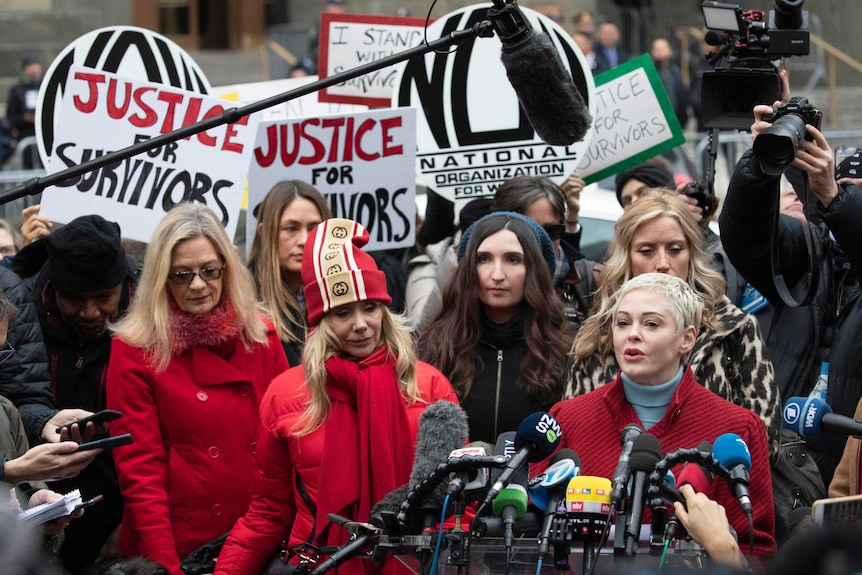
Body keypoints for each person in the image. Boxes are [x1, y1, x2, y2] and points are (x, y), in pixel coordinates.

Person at [214, 218, 457, 575]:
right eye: (343, 312)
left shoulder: (429, 385)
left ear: (385, 312)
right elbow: (269, 511)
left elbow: (455, 507)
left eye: (370, 307)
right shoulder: (285, 394)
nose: (360, 324)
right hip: (316, 563)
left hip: (411, 566)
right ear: (321, 322)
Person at [106, 203, 289, 575]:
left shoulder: (261, 334)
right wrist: (164, 567)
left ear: (226, 267)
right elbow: (141, 471)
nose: (198, 285)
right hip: (183, 541)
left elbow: (290, 443)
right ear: (161, 278)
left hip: (261, 534)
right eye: (182, 275)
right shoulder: (135, 349)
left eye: (209, 270)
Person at [548, 273, 776, 564]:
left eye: (651, 324)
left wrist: (721, 547)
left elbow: (758, 552)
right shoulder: (568, 418)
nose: (632, 333)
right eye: (623, 323)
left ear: (687, 339)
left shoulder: (738, 428)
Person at [568, 190, 780, 459]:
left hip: (708, 494)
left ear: (692, 253)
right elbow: (574, 444)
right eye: (647, 250)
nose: (663, 264)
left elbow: (764, 441)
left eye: (675, 249)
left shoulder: (734, 328)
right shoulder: (596, 336)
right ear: (627, 257)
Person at [720, 108, 862, 488]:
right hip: (778, 462)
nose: (851, 199)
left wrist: (836, 196)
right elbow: (746, 234)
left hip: (850, 469)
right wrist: (762, 159)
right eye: (850, 188)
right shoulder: (809, 250)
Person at [25, 214, 141, 574]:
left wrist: (134, 524)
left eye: (105, 297)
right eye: (74, 299)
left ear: (124, 284)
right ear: (54, 290)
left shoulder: (152, 318)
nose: (91, 312)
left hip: (123, 514)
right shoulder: (23, 316)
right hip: (38, 516)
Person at [417, 212, 569, 443]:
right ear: (467, 268)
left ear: (535, 270)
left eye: (513, 260)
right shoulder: (435, 349)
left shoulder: (567, 353)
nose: (497, 275)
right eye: (484, 259)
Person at [247, 180, 331, 366]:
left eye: (313, 228)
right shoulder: (242, 300)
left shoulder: (344, 293)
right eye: (291, 228)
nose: (304, 240)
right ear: (265, 233)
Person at [6, 56, 42, 169]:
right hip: (24, 134)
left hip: (41, 133)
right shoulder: (17, 90)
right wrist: (25, 118)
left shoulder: (42, 86)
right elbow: (11, 116)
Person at [650, 37, 689, 129]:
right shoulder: (650, 72)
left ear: (670, 50)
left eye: (663, 49)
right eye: (657, 49)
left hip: (677, 119)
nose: (660, 52)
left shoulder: (677, 71)